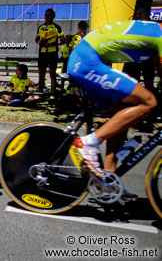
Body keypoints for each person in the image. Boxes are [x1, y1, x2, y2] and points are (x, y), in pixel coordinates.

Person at [68, 20, 162, 200]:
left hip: (88, 59)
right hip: (87, 61)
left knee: (125, 114)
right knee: (149, 102)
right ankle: (89, 142)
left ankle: (109, 179)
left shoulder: (155, 31)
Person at [35, 8, 64, 99]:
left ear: (53, 17)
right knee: (41, 74)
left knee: (52, 74)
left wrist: (51, 43)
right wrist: (38, 41)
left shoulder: (57, 27)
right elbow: (37, 38)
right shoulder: (41, 27)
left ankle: (53, 94)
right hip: (42, 52)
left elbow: (62, 40)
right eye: (45, 15)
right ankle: (40, 93)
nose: (47, 17)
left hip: (52, 53)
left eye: (49, 15)